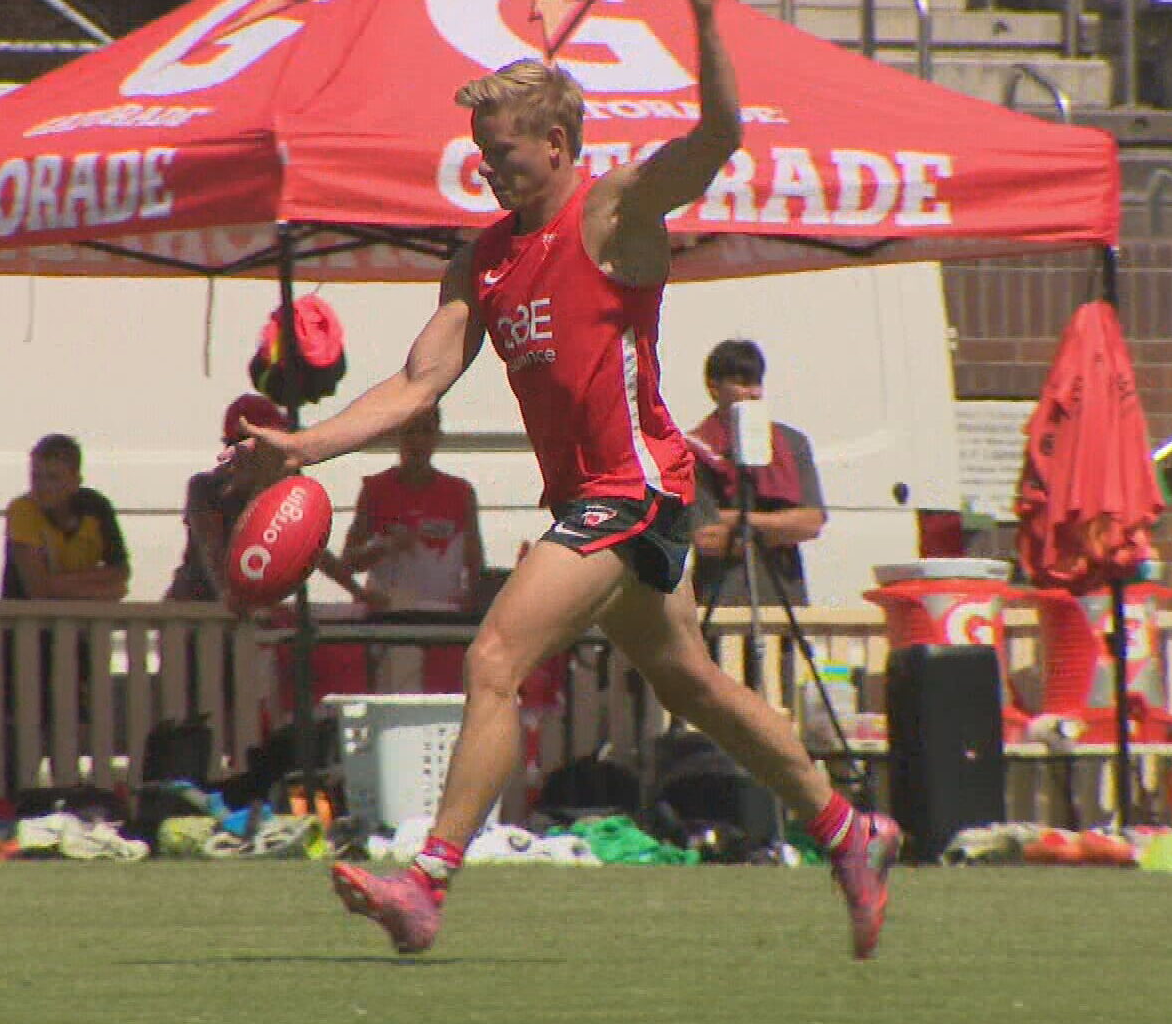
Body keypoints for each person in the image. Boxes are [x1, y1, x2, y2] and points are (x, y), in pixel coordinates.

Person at [231, 1, 899, 960]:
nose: (486, 167)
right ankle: (849, 832)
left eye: (500, 150)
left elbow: (716, 139)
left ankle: (425, 887)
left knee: (496, 658)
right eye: (478, 149)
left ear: (555, 142)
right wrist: (307, 447)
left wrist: (708, 21)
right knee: (693, 687)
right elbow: (419, 381)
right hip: (597, 501)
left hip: (637, 489)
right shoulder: (487, 257)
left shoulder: (616, 208)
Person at [165, 393, 375, 608]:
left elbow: (308, 543)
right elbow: (214, 552)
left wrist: (356, 590)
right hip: (196, 613)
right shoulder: (206, 488)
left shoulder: (284, 484)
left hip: (244, 616)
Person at [341, 407, 485, 693]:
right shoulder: (376, 490)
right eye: (410, 432)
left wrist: (473, 607)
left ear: (437, 438)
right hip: (393, 619)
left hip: (444, 620)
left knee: (444, 698)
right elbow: (349, 561)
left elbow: (476, 564)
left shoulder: (459, 492)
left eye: (426, 432)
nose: (418, 442)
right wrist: (384, 546)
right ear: (397, 437)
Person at [687, 338, 827, 608]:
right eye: (742, 383)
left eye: (757, 383)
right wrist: (781, 528)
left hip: (784, 598)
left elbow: (811, 523)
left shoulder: (792, 443)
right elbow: (706, 538)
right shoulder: (693, 450)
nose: (754, 393)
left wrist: (737, 522)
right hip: (721, 602)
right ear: (714, 388)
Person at [1, 433, 128, 602]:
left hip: (82, 626)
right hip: (26, 624)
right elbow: (38, 590)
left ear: (76, 481)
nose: (42, 487)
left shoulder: (97, 508)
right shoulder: (22, 510)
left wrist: (57, 583)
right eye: (36, 477)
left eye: (53, 478)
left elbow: (121, 571)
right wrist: (102, 592)